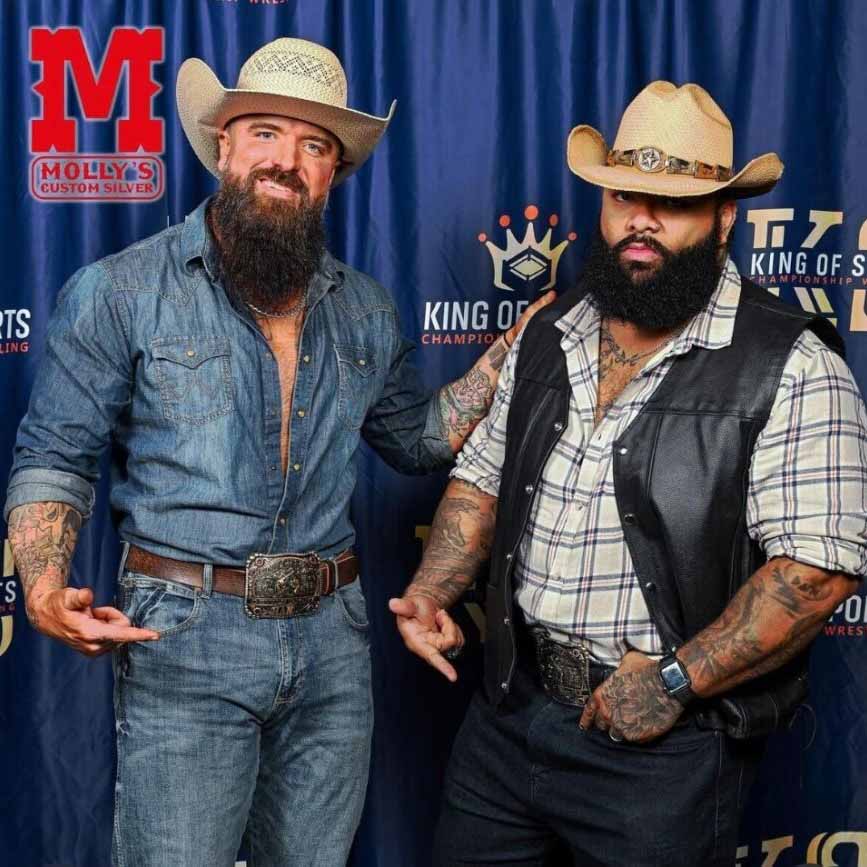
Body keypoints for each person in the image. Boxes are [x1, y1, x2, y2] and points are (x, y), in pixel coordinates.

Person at [4, 38, 551, 867]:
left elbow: (415, 439)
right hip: (184, 636)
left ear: (334, 173)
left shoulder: (365, 307)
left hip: (333, 638)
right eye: (265, 133)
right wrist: (43, 584)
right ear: (222, 145)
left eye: (314, 145)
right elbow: (54, 452)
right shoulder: (119, 290)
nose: (285, 161)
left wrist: (507, 350)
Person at [391, 81, 867, 866]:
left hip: (663, 750)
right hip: (508, 715)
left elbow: (815, 569)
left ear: (722, 220)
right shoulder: (550, 329)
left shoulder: (790, 362)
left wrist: (674, 683)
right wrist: (434, 589)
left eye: (672, 201)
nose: (640, 218)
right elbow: (480, 477)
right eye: (624, 195)